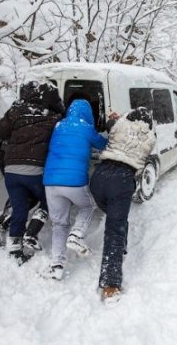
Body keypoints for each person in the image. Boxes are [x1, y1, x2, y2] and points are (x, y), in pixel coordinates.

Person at [90, 107, 155, 301]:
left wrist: (115, 118)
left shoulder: (118, 126)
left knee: (115, 219)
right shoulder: (150, 138)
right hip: (122, 179)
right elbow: (139, 140)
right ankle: (111, 285)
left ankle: (121, 246)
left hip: (99, 177)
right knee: (115, 229)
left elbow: (113, 126)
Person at [0, 81, 64, 263]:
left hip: (11, 170)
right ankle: (31, 233)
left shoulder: (17, 111)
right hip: (34, 171)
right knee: (49, 200)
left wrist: (14, 113)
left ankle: (14, 249)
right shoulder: (52, 117)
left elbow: (0, 132)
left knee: (20, 208)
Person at [42, 99, 108, 279]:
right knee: (88, 206)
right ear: (88, 114)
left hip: (51, 181)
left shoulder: (58, 126)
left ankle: (56, 265)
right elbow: (104, 145)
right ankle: (77, 235)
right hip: (74, 180)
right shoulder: (86, 128)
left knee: (59, 224)